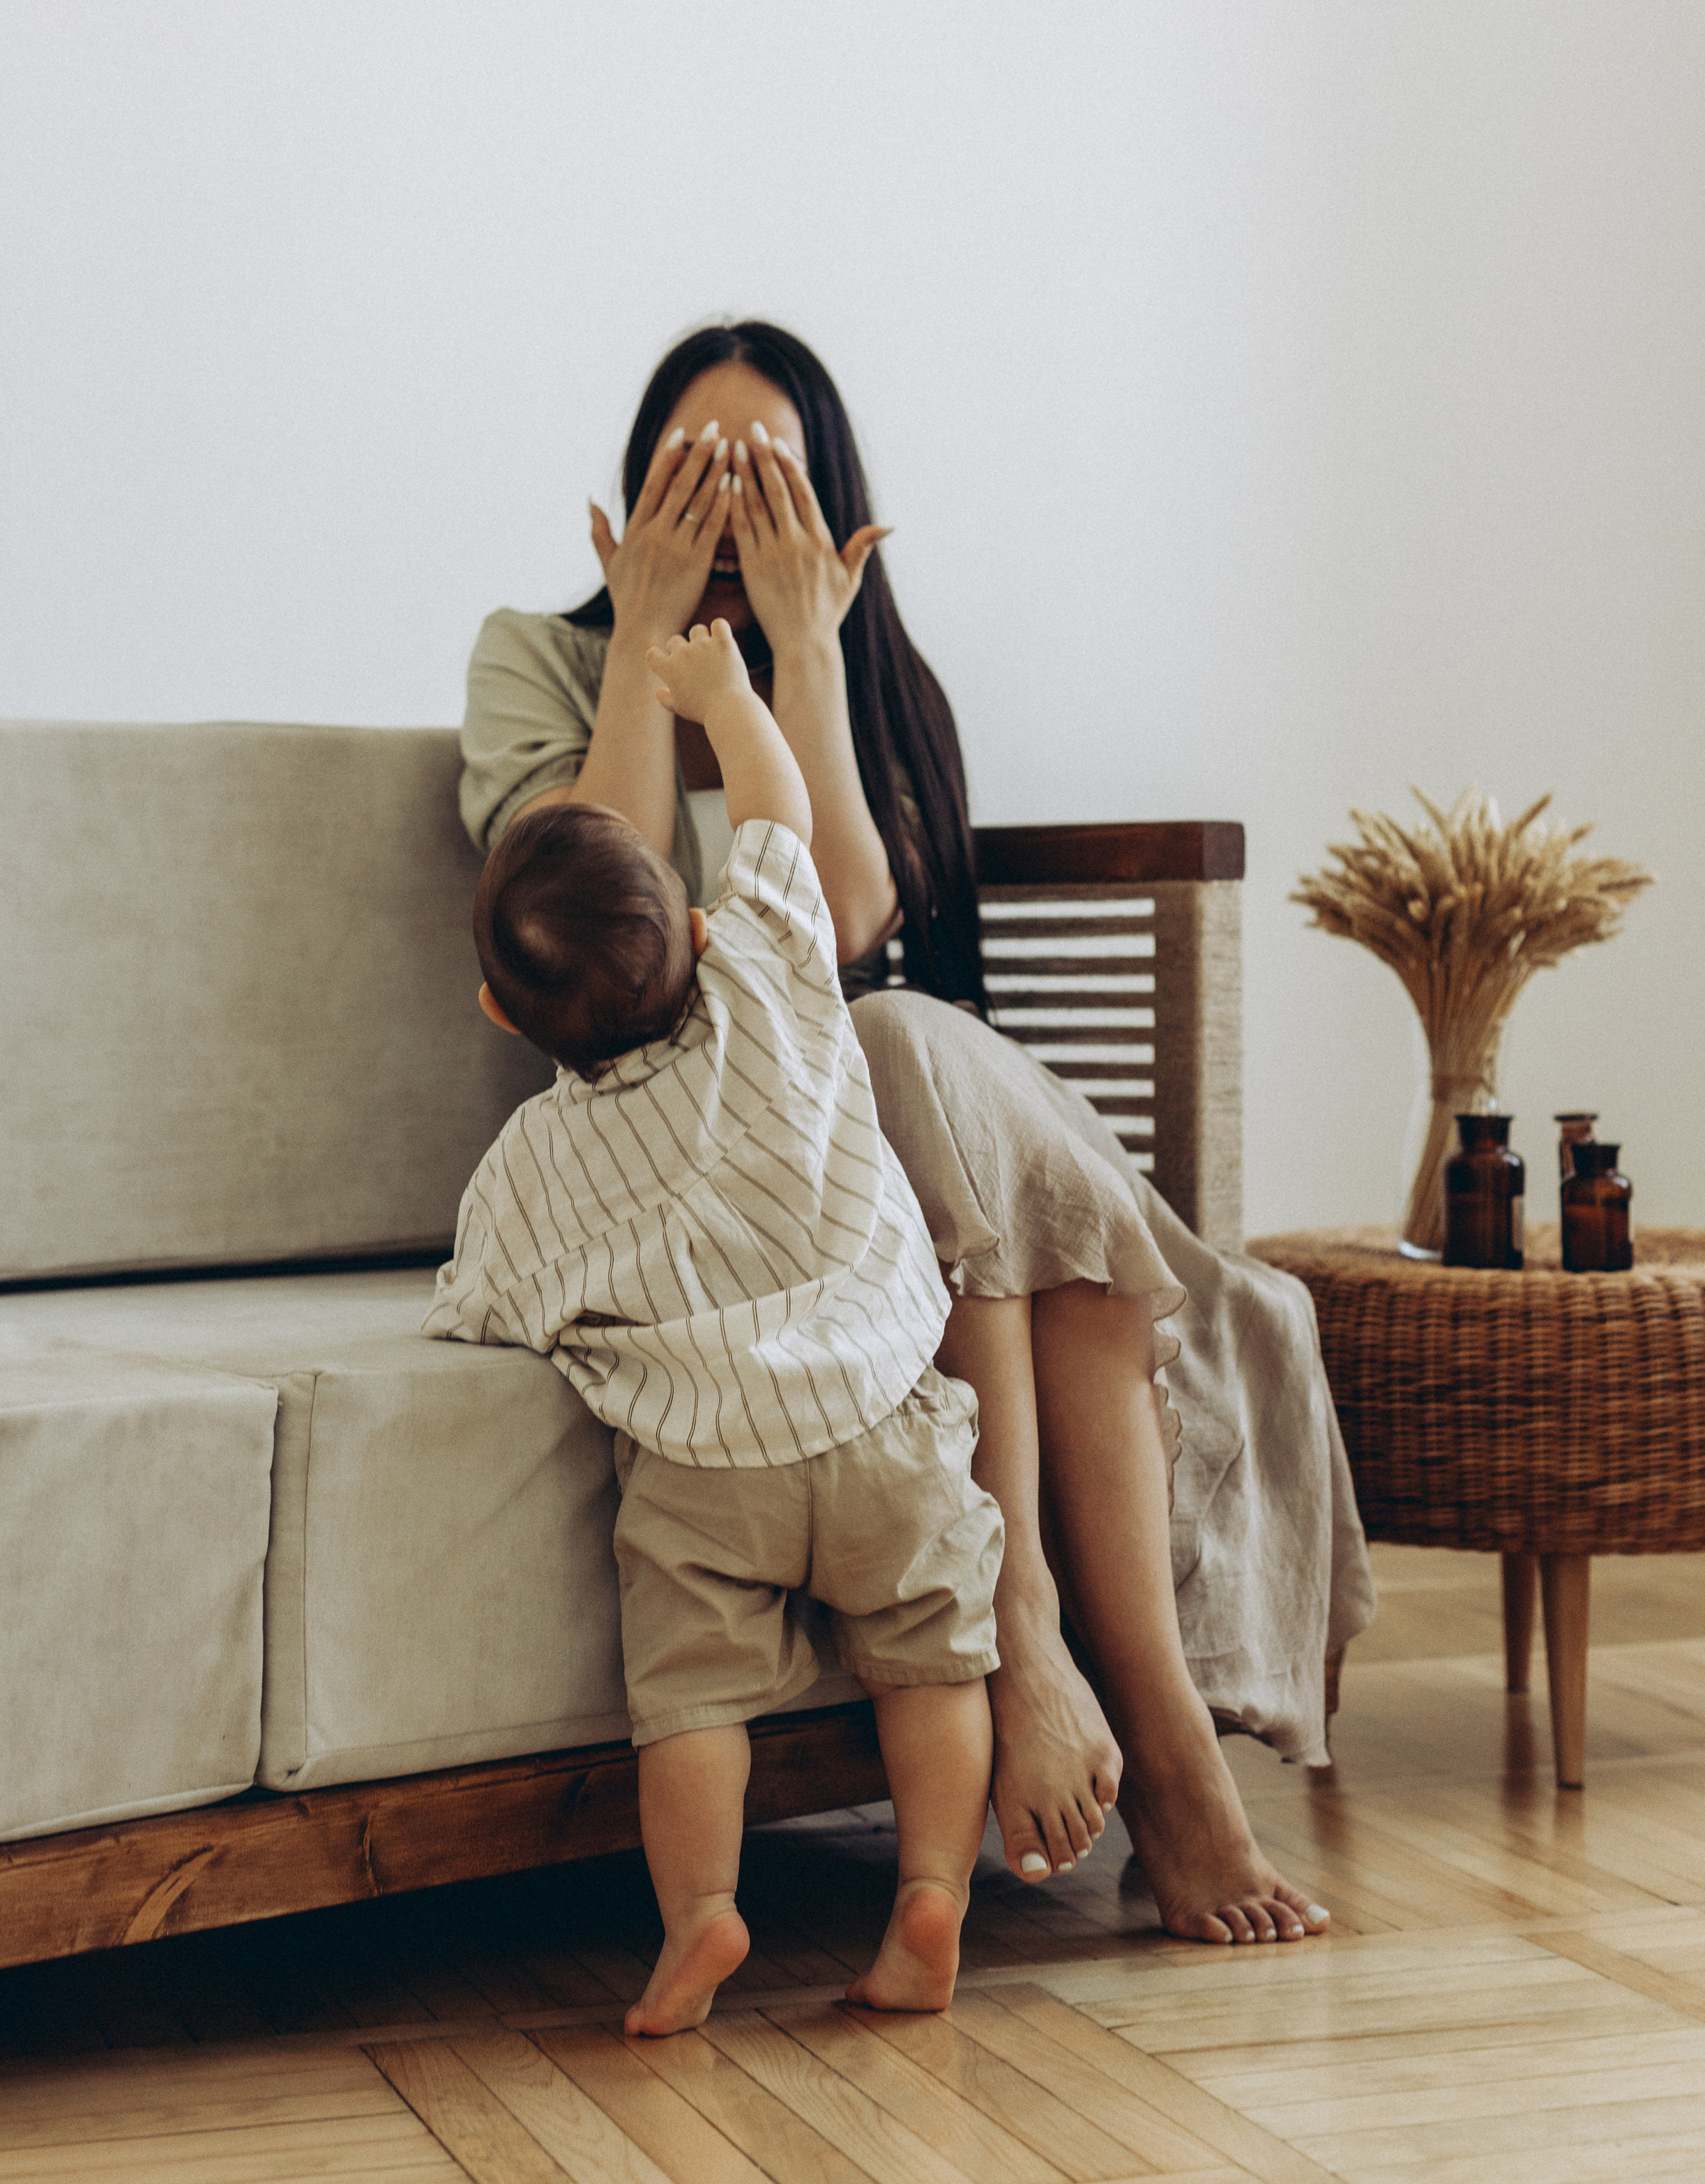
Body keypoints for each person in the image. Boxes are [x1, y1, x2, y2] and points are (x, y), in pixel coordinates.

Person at [460, 320, 1373, 1947]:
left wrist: (805, 656)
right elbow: (619, 906)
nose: (734, 523)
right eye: (697, 476)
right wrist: (648, 652)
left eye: (769, 486)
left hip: (911, 1106)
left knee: (882, 1036)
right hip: (817, 1170)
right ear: (629, 498)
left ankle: (1085, 1689)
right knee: (915, 1104)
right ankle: (1124, 1729)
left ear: (838, 516)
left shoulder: (869, 675)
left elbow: (852, 924)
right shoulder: (533, 656)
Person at [425, 617, 1023, 2033]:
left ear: (504, 1016)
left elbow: (487, 1306)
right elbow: (776, 815)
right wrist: (721, 694)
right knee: (936, 1658)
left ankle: (701, 1919)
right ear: (697, 928)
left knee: (688, 1703)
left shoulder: (529, 1163)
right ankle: (930, 1890)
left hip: (708, 1480)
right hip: (884, 1422)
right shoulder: (772, 981)